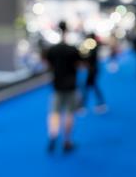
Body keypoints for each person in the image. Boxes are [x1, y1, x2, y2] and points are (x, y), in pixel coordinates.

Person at [44, 21, 81, 153]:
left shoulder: (52, 50)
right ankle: (66, 141)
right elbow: (79, 64)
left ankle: (53, 134)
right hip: (71, 85)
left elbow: (47, 63)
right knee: (69, 113)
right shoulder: (73, 49)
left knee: (54, 112)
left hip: (57, 85)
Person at [80, 33, 108, 114]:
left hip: (93, 70)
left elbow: (87, 57)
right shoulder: (93, 47)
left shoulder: (92, 47)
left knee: (90, 86)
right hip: (93, 69)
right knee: (91, 86)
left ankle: (84, 105)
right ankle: (97, 104)